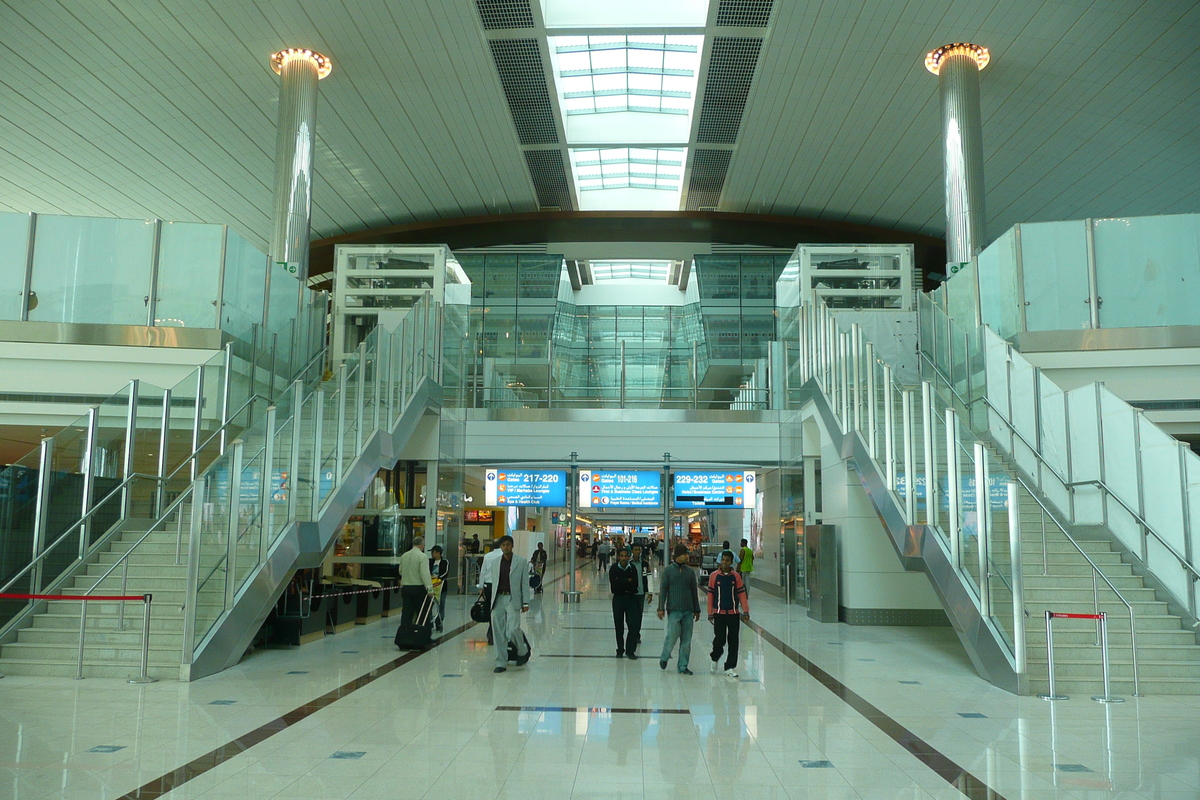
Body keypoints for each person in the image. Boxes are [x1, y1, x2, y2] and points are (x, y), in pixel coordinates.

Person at [487, 535, 531, 673]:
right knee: (498, 631)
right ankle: (500, 662)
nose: (505, 547)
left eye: (508, 544)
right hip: (498, 599)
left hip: (513, 598)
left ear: (512, 546)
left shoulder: (521, 562)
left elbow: (524, 583)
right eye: (503, 545)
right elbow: (492, 581)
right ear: (500, 547)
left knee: (512, 629)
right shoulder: (495, 562)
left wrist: (525, 602)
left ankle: (522, 649)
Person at [657, 543, 701, 675]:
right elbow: (663, 590)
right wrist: (661, 607)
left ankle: (683, 666)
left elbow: (694, 591)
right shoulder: (668, 571)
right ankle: (665, 656)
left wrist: (697, 609)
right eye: (685, 554)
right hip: (674, 610)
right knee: (672, 636)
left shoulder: (690, 572)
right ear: (677, 555)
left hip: (688, 610)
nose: (687, 556)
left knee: (686, 640)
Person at [708, 550, 750, 677]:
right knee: (719, 638)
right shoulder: (714, 576)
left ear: (731, 562)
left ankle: (730, 666)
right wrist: (710, 613)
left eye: (727, 560)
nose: (724, 563)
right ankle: (715, 657)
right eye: (723, 560)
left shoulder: (736, 576)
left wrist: (746, 611)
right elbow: (710, 595)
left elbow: (741, 594)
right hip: (719, 613)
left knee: (733, 641)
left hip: (733, 614)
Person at [609, 548, 642, 659]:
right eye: (621, 556)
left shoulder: (632, 568)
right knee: (619, 626)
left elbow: (635, 584)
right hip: (618, 599)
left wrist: (621, 581)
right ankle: (620, 649)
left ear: (629, 557)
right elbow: (614, 585)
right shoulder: (613, 568)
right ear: (618, 557)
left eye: (625, 556)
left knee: (633, 625)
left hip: (631, 599)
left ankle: (630, 650)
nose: (623, 558)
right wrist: (627, 581)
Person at [397, 536, 434, 629]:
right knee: (423, 613)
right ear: (421, 545)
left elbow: (400, 571)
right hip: (418, 589)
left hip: (405, 588)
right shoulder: (422, 556)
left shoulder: (404, 555)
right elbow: (424, 574)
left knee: (406, 613)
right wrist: (430, 589)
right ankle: (423, 635)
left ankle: (405, 634)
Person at [629, 543, 652, 653]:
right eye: (636, 549)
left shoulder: (645, 564)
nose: (638, 552)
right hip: (630, 594)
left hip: (641, 594)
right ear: (632, 551)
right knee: (630, 616)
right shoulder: (628, 564)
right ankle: (632, 632)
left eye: (639, 549)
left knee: (639, 615)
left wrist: (650, 592)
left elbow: (649, 577)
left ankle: (636, 633)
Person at [429, 545, 449, 631]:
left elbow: (446, 572)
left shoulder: (445, 562)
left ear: (438, 553)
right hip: (430, 586)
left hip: (441, 587)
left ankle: (439, 622)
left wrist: (439, 578)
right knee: (429, 605)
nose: (431, 554)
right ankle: (429, 621)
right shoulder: (429, 561)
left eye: (433, 552)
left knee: (441, 604)